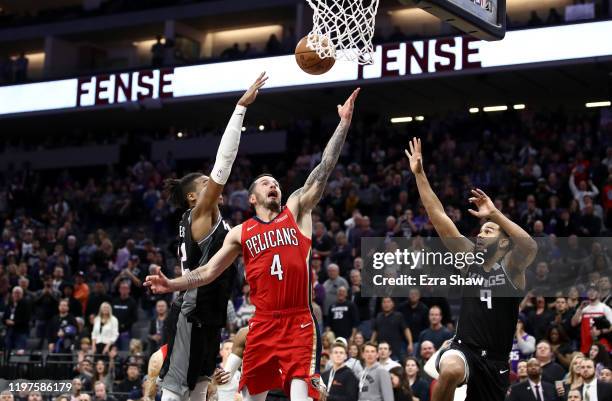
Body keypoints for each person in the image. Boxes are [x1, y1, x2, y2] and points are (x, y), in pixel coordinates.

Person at [146, 88, 361, 401]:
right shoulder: (239, 232)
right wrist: (172, 283)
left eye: (275, 181)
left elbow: (323, 170)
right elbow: (206, 272)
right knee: (246, 396)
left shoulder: (296, 210)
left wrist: (342, 125)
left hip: (297, 320)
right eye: (265, 182)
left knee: (299, 394)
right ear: (251, 198)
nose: (273, 184)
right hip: (261, 323)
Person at [157, 73, 267, 401]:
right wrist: (239, 109)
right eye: (204, 183)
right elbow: (224, 164)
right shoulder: (199, 215)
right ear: (193, 198)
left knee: (200, 392)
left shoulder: (218, 225)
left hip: (210, 319)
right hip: (191, 316)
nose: (212, 184)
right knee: (176, 393)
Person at [404, 137, 538, 401]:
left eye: (487, 231)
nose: (479, 234)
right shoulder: (470, 262)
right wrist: (419, 175)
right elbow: (439, 217)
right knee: (451, 369)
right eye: (480, 230)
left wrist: (495, 215)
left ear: (502, 242)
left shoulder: (511, 268)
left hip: (496, 362)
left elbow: (530, 247)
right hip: (464, 349)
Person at [571, 284, 612, 354]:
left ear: (598, 293)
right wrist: (580, 309)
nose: (592, 292)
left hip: (602, 347)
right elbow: (573, 324)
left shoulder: (605, 308)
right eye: (589, 291)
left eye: (594, 291)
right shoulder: (584, 309)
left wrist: (600, 331)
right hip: (586, 347)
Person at [3, 286, 31, 352]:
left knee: (19, 352)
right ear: (12, 294)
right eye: (15, 293)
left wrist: (14, 322)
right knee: (7, 351)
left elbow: (26, 319)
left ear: (22, 294)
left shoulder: (26, 304)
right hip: (10, 331)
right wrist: (6, 321)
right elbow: (4, 317)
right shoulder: (10, 304)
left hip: (21, 332)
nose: (16, 295)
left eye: (18, 293)